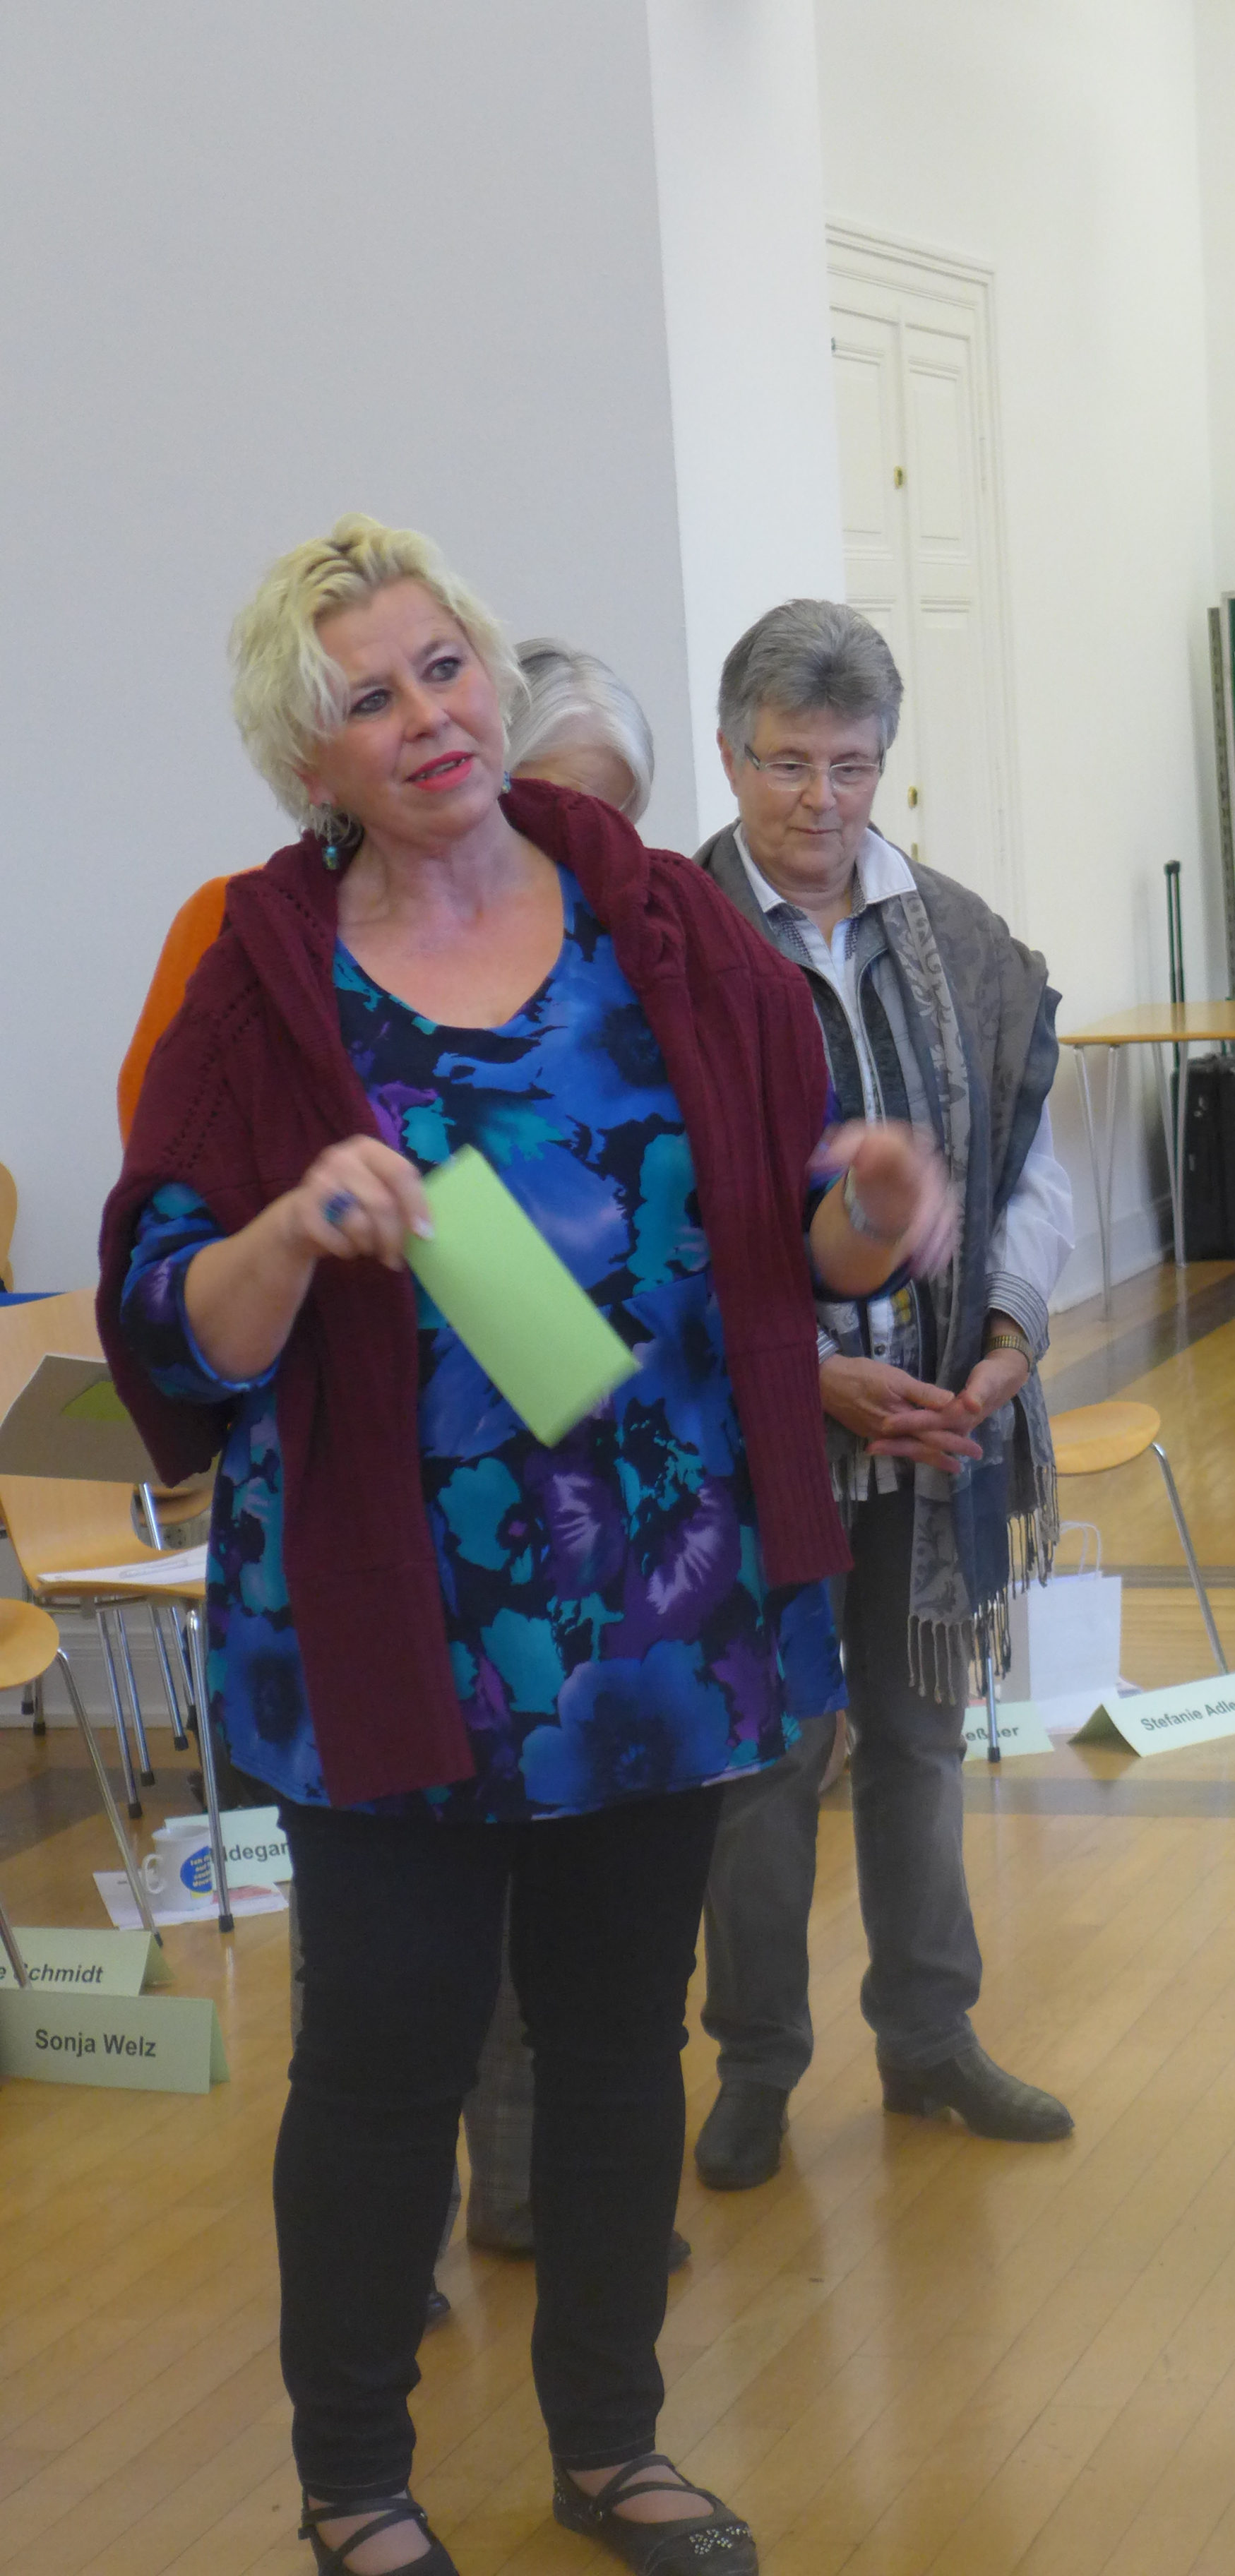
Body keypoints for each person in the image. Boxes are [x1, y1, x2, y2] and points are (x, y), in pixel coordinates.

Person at [99, 517, 954, 2576]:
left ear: (492, 679)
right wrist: (289, 1229)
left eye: (443, 667)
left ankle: (611, 2443)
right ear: (307, 757)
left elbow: (797, 1238)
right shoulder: (257, 972)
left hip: (657, 1603)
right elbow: (165, 1313)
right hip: (392, 1612)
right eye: (367, 698)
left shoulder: (656, 922)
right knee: (384, 2052)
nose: (426, 717)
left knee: (617, 2038)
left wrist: (872, 1210)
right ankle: (352, 2482)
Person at [687, 599, 1075, 2192]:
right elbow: (650, 1220)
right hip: (754, 1435)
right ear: (730, 756)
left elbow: (1027, 1168)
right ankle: (757, 2067)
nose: (821, 800)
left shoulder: (963, 940)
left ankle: (929, 2037)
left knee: (920, 1736)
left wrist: (1006, 1336)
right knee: (766, 1767)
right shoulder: (673, 946)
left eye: (851, 766)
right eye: (788, 763)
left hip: (937, 1425)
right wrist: (805, 1375)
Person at [115, 637, 656, 1145]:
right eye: (555, 808)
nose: (583, 843)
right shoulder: (235, 922)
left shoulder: (633, 939)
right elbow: (166, 1153)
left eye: (615, 825)